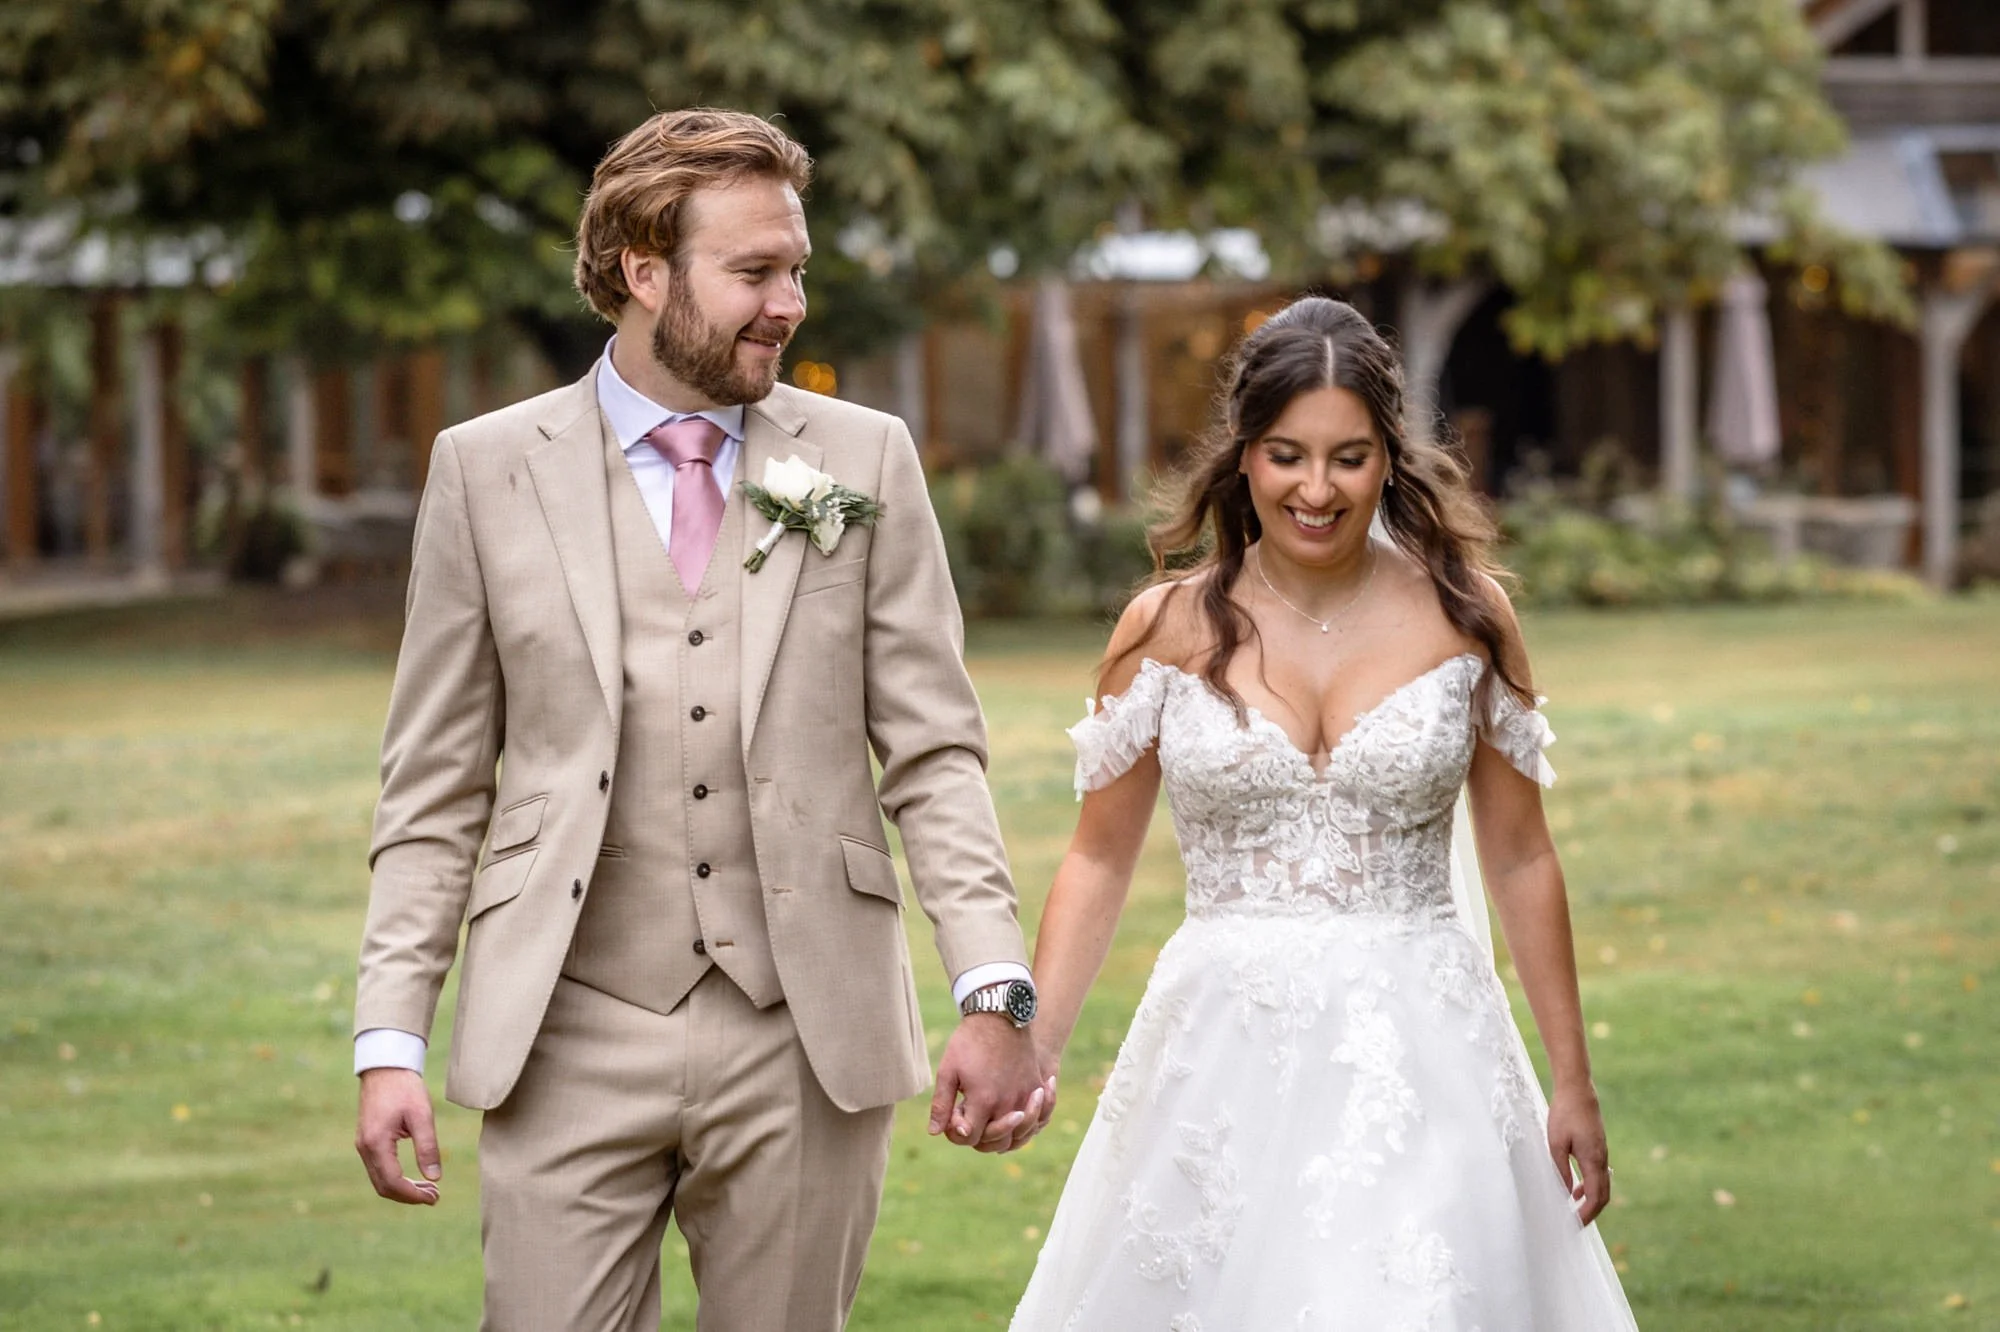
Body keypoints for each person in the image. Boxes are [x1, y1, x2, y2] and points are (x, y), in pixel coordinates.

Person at [349, 107, 1048, 1332]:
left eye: (798, 270)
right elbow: (435, 785)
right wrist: (387, 1039)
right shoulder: (485, 466)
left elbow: (935, 751)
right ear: (642, 270)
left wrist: (993, 987)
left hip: (802, 1028)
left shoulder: (860, 458)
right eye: (755, 272)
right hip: (562, 1026)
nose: (789, 303)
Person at [1010, 297, 1639, 1329]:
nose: (1314, 488)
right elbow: (1097, 859)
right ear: (1243, 456)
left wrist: (1569, 1082)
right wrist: (1034, 1047)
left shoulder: (1466, 618)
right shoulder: (1160, 627)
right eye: (1285, 455)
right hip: (1218, 1049)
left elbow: (1521, 860)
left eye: (1346, 457)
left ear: (1388, 458)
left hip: (1421, 1052)